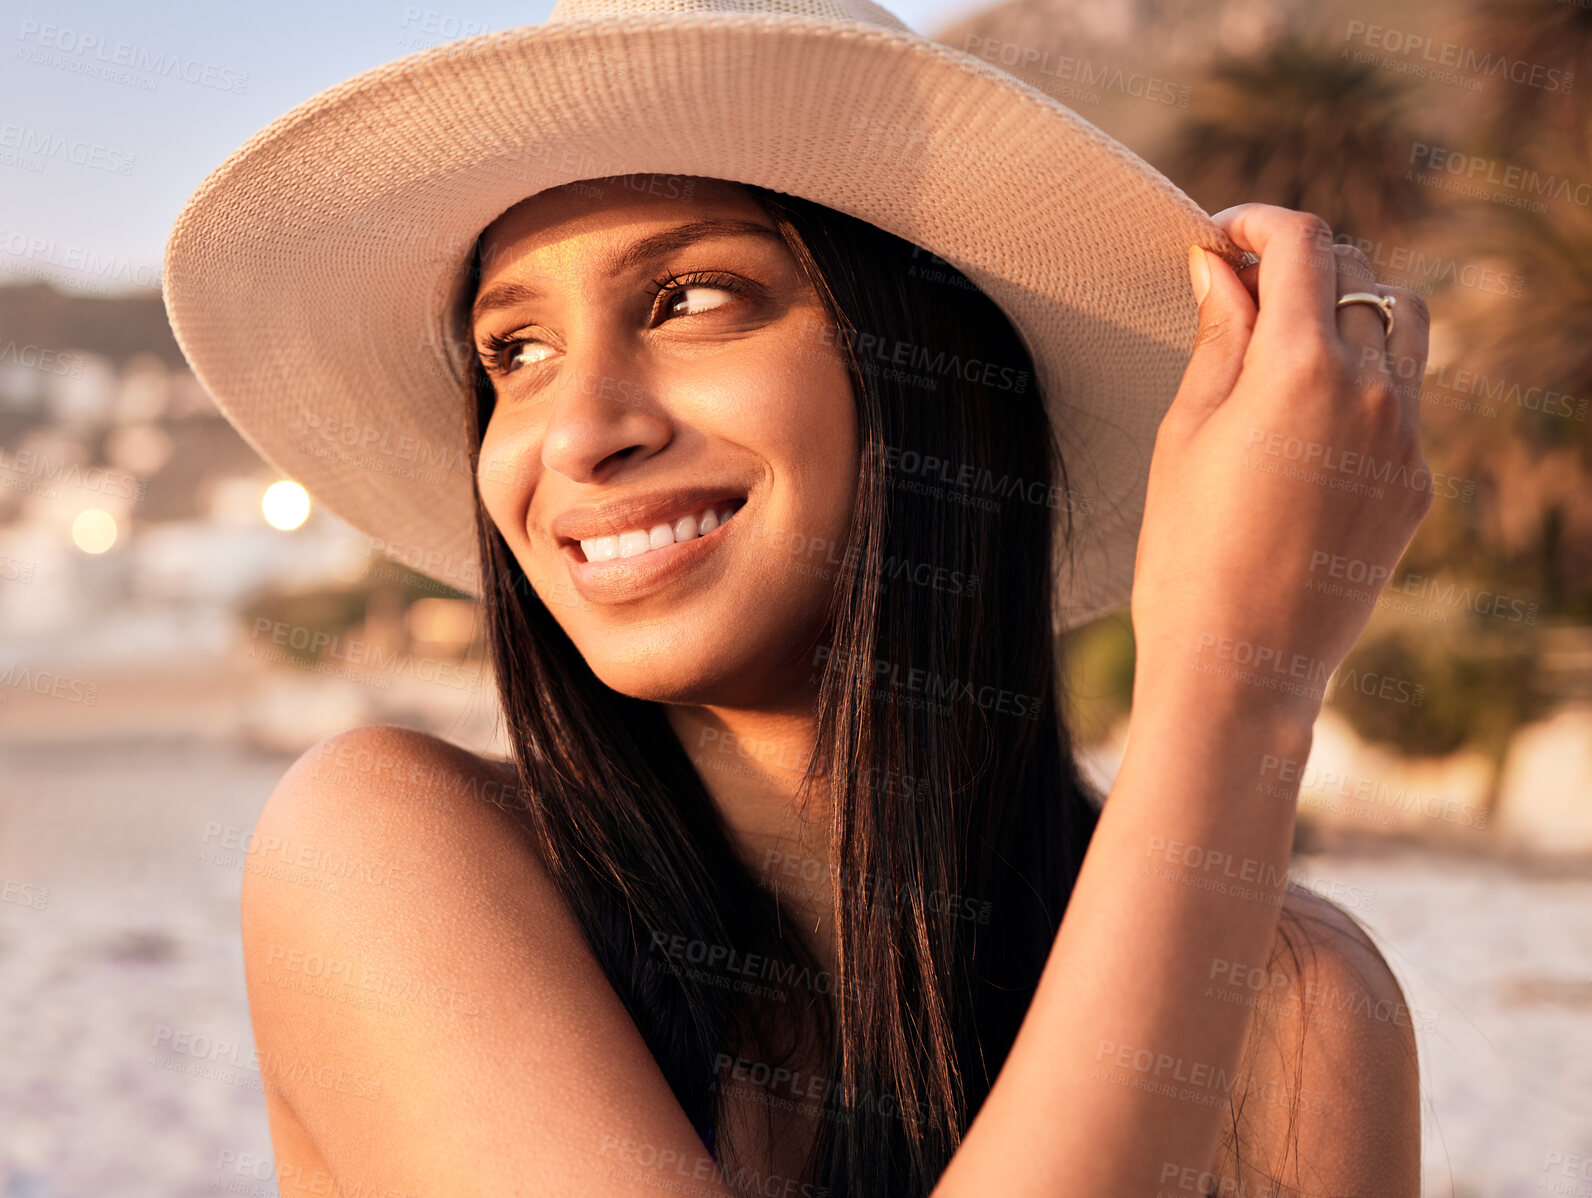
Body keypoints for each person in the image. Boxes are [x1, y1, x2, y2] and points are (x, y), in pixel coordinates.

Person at [165, 2, 1431, 1195]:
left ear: (941, 379)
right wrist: (1237, 691)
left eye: (694, 299)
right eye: (517, 353)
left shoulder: (1297, 1007)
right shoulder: (382, 853)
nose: (576, 431)